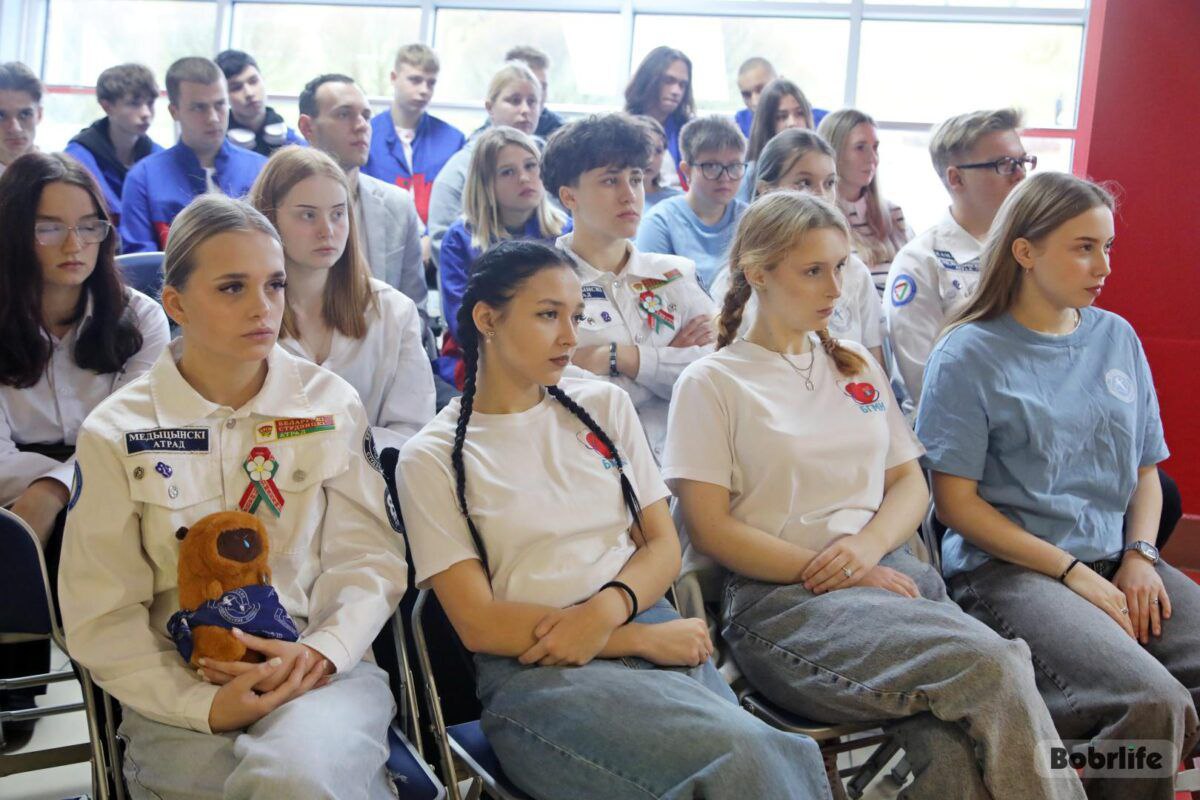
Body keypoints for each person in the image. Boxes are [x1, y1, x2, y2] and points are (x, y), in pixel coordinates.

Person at [667, 191, 1086, 800]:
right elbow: (711, 529)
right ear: (757, 272)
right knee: (993, 664)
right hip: (782, 601)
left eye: (840, 266)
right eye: (813, 271)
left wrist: (866, 550)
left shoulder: (854, 362)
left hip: (891, 578)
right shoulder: (712, 382)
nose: (836, 288)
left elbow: (909, 483)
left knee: (949, 739)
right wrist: (848, 570)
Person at [395, 239, 832, 800]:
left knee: (769, 753)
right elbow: (480, 624)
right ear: (487, 320)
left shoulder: (603, 405)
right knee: (746, 759)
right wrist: (631, 637)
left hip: (647, 625)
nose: (570, 336)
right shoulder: (432, 457)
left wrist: (609, 614)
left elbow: (661, 545)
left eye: (575, 316)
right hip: (539, 671)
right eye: (547, 315)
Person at [59, 194, 408, 799]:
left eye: (274, 285)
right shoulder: (116, 431)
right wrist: (199, 705)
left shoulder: (330, 405)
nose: (262, 308)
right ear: (176, 304)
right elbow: (102, 610)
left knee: (295, 779)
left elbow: (369, 559)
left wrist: (321, 652)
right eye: (231, 288)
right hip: (180, 681)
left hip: (317, 671)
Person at [918, 173, 1199, 800]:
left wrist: (1141, 556)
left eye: (1108, 247)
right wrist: (1072, 572)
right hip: (1010, 573)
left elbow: (1146, 473)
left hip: (1114, 558)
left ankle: (1090, 770)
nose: (1104, 266)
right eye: (1083, 248)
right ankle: (1077, 771)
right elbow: (955, 504)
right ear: (1025, 251)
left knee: (1165, 712)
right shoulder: (967, 354)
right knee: (1150, 705)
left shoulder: (1115, 336)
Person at [0, 152, 168, 749]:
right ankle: (21, 687)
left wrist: (53, 490)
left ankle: (131, 701)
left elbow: (131, 438)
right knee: (17, 535)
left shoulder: (140, 316)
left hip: (115, 483)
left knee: (101, 519)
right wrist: (48, 491)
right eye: (49, 227)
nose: (75, 244)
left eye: (89, 226)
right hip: (10, 497)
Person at [544, 113, 715, 460]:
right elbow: (561, 399)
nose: (629, 195)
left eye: (636, 179)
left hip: (690, 461)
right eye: (610, 181)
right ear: (569, 196)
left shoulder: (677, 273)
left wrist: (620, 357)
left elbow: (716, 372)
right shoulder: (542, 287)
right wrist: (667, 366)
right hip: (594, 466)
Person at [249, 146, 434, 453]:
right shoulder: (244, 313)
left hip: (372, 477)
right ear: (269, 218)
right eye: (308, 215)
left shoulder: (394, 311)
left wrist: (335, 452)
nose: (327, 231)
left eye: (338, 214)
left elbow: (413, 430)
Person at [884, 108, 1030, 407]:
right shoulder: (920, 262)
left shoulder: (1033, 249)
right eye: (1004, 164)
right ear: (956, 178)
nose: (1020, 175)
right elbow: (925, 382)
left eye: (1023, 162)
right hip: (953, 424)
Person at [710, 129, 883, 365]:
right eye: (804, 183)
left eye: (830, 183)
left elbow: (873, 363)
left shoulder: (855, 273)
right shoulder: (733, 283)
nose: (821, 195)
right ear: (766, 191)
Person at [437, 126, 567, 387]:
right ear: (485, 183)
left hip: (559, 351)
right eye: (508, 172)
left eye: (531, 166)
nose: (524, 178)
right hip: (484, 358)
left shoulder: (565, 232)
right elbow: (461, 321)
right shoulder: (460, 238)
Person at [297, 73, 426, 324]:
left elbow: (415, 311)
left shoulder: (398, 205)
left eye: (366, 116)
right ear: (307, 127)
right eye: (344, 114)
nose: (361, 126)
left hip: (385, 343)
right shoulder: (278, 204)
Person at [119, 57, 266, 253]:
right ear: (174, 112)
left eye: (220, 104)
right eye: (199, 108)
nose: (213, 118)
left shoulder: (261, 170)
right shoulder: (143, 179)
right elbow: (140, 262)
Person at [427, 61, 543, 270]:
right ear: (490, 107)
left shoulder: (550, 158)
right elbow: (442, 244)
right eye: (514, 101)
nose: (525, 110)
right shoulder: (458, 170)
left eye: (532, 101)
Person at [635, 115, 748, 291]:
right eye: (711, 166)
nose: (725, 177)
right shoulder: (660, 223)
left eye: (734, 166)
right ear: (686, 171)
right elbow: (648, 293)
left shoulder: (750, 220)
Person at [363, 43, 465, 228]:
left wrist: (431, 237)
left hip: (436, 240)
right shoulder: (366, 135)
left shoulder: (453, 140)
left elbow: (459, 205)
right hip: (377, 236)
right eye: (415, 80)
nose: (424, 90)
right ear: (394, 78)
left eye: (431, 83)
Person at [819, 108, 912, 294]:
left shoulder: (893, 213)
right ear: (834, 153)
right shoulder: (821, 221)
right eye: (860, 147)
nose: (873, 158)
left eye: (875, 147)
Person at [64, 63, 164, 224]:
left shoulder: (159, 156)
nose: (146, 113)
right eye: (134, 104)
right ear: (107, 107)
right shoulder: (77, 158)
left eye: (150, 103)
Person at [624, 46, 694, 190]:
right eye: (669, 81)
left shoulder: (691, 132)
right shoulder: (621, 130)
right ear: (649, 80)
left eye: (682, 85)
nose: (676, 91)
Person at [215, 50, 305, 156]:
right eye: (236, 88)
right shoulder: (215, 149)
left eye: (253, 81)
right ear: (223, 96)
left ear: (263, 80)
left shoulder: (296, 145)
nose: (249, 93)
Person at [739, 78, 815, 203]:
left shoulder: (819, 163)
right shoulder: (751, 172)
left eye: (799, 113)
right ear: (767, 123)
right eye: (781, 117)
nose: (792, 123)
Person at [501, 46, 565, 138]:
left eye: (543, 87)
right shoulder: (485, 138)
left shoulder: (560, 133)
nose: (539, 96)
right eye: (515, 100)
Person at [0, 62, 42, 176]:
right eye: (1, 116)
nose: (15, 128)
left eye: (25, 114)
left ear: (39, 114)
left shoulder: (60, 179)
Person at [633, 115, 682, 211]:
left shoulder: (678, 200)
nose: (650, 159)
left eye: (658, 151)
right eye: (643, 150)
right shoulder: (615, 201)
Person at [733, 57, 776, 138]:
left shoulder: (799, 115)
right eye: (747, 95)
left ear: (780, 81)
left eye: (761, 90)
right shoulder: (740, 124)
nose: (755, 102)